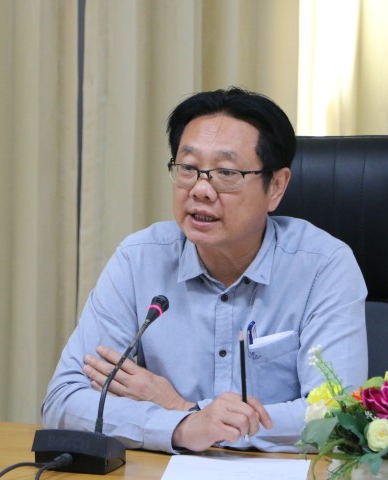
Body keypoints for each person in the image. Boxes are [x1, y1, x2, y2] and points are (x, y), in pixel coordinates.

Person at [41, 86, 368, 453]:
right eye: (188, 169)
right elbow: (64, 400)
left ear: (276, 187)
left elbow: (337, 417)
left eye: (226, 173)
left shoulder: (324, 267)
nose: (200, 190)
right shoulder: (139, 259)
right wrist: (184, 427)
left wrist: (184, 410)